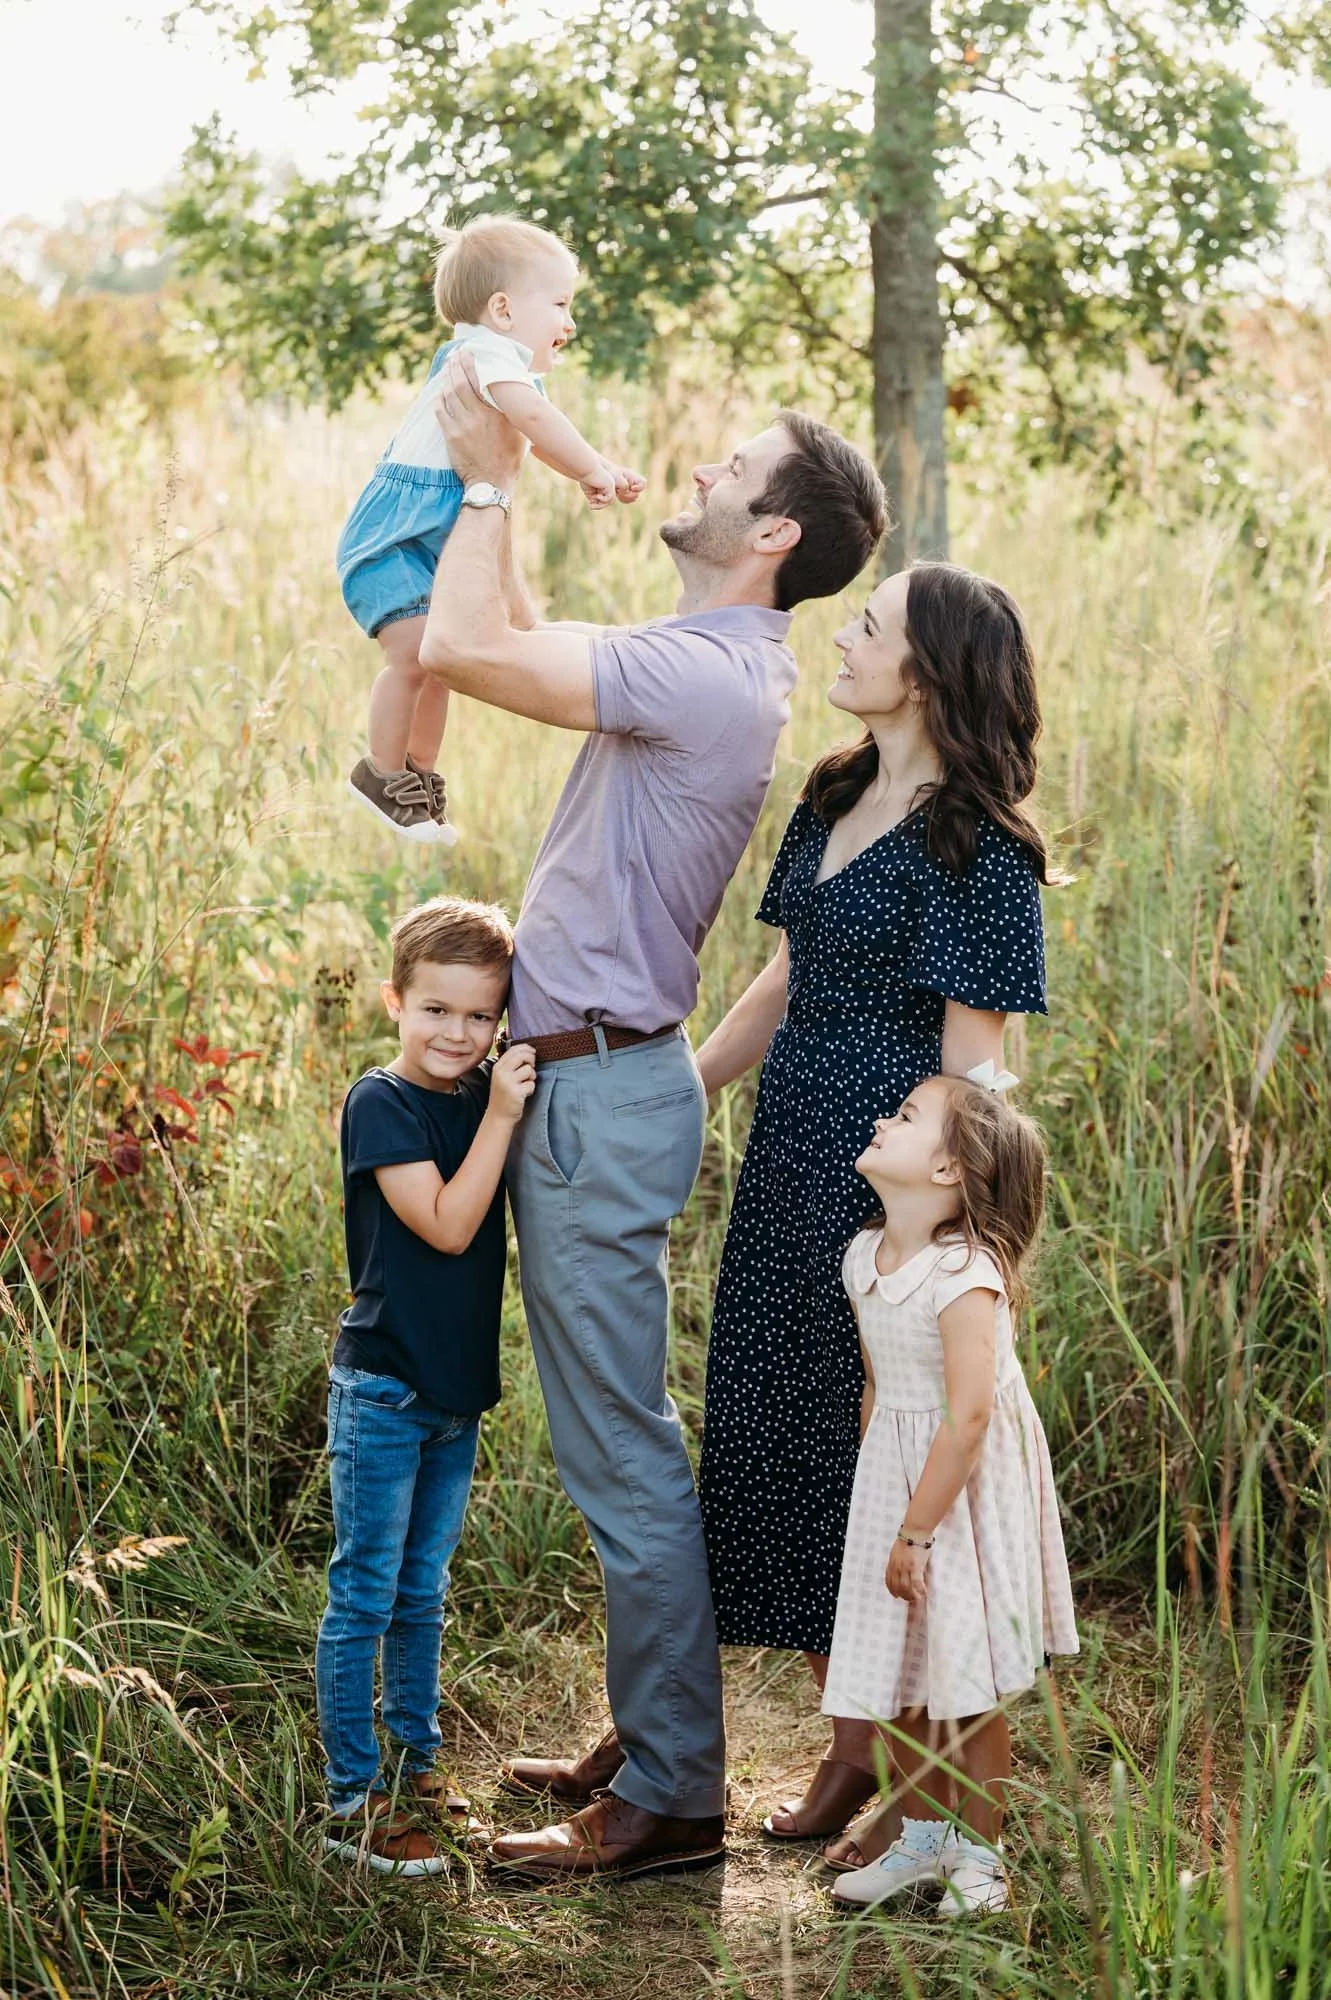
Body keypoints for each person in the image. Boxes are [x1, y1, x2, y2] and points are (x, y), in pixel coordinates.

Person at [414, 359, 886, 1880]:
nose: (697, 470)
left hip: (597, 1089)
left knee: (620, 1450)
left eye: (730, 468)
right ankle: (653, 1730)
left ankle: (674, 1793)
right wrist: (503, 483)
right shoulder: (703, 658)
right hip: (593, 1080)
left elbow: (463, 644)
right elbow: (516, 626)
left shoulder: (706, 675)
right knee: (618, 1438)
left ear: (774, 534)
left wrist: (490, 473)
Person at [695, 560, 1051, 1859]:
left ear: (929, 670)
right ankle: (849, 1743)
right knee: (783, 1448)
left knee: (881, 1463)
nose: (839, 639)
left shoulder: (977, 846)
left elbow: (973, 1070)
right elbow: (785, 974)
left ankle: (916, 1784)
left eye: (866, 626)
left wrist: (940, 1246)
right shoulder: (833, 790)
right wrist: (685, 1089)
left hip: (889, 1195)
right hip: (785, 1164)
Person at [317, 895, 537, 1877]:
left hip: (453, 1394)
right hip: (384, 1388)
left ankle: (415, 1765)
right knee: (365, 1590)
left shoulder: (476, 1090)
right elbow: (447, 1224)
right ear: (394, 1001)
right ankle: (350, 1797)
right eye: (436, 1009)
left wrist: (498, 1101)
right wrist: (501, 1112)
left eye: (480, 1015)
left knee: (422, 1591)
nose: (458, 1033)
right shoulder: (383, 1102)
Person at [825, 1071, 1078, 1915]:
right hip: (898, 1483)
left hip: (961, 1493)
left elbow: (968, 1417)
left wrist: (920, 1530)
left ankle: (981, 1855)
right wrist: (882, 1504)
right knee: (899, 1673)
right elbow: (876, 1386)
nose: (880, 1118)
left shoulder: (963, 1274)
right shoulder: (864, 1255)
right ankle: (922, 1839)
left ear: (946, 1171)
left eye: (904, 1115)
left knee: (962, 1682)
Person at [336, 215, 644, 844]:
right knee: (413, 655)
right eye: (559, 304)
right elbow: (537, 420)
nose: (570, 322)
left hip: (429, 531)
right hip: (393, 538)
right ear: (502, 310)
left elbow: (537, 431)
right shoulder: (483, 354)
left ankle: (418, 775)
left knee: (441, 658)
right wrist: (594, 467)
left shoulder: (505, 368)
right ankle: (381, 774)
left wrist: (593, 470)